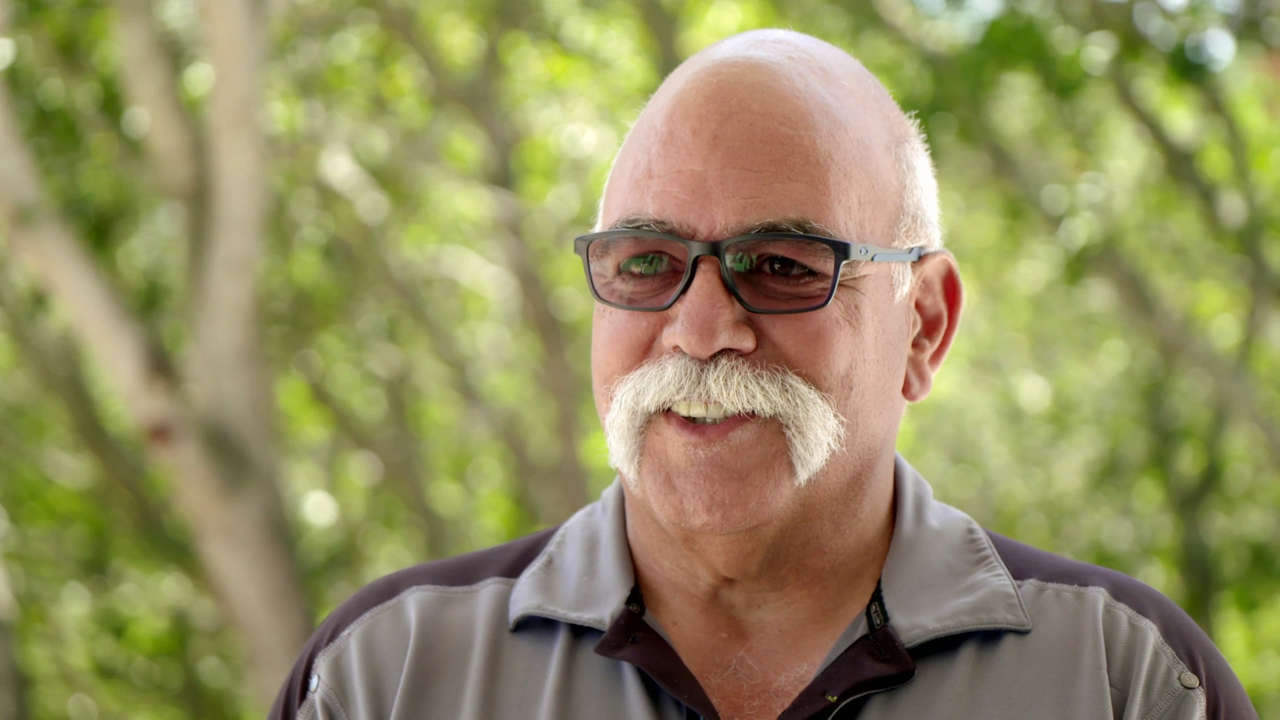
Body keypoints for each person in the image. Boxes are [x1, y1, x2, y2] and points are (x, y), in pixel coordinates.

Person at [270, 29, 1257, 720]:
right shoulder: (386, 681)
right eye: (646, 263)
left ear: (923, 326)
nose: (701, 331)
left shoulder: (1124, 684)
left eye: (781, 266)